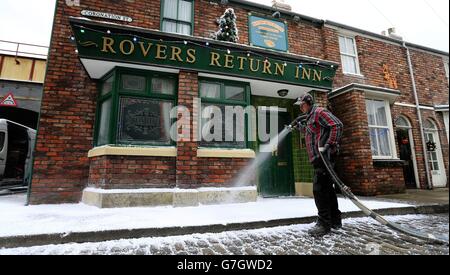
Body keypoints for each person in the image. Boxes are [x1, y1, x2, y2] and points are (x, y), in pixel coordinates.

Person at [294, 94, 344, 237]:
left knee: (319, 189)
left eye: (301, 104)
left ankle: (323, 224)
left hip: (325, 157)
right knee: (327, 189)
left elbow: (337, 125)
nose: (300, 107)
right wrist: (301, 128)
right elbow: (313, 133)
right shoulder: (311, 117)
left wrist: (329, 144)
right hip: (318, 158)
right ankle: (335, 221)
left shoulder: (319, 112)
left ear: (308, 102)